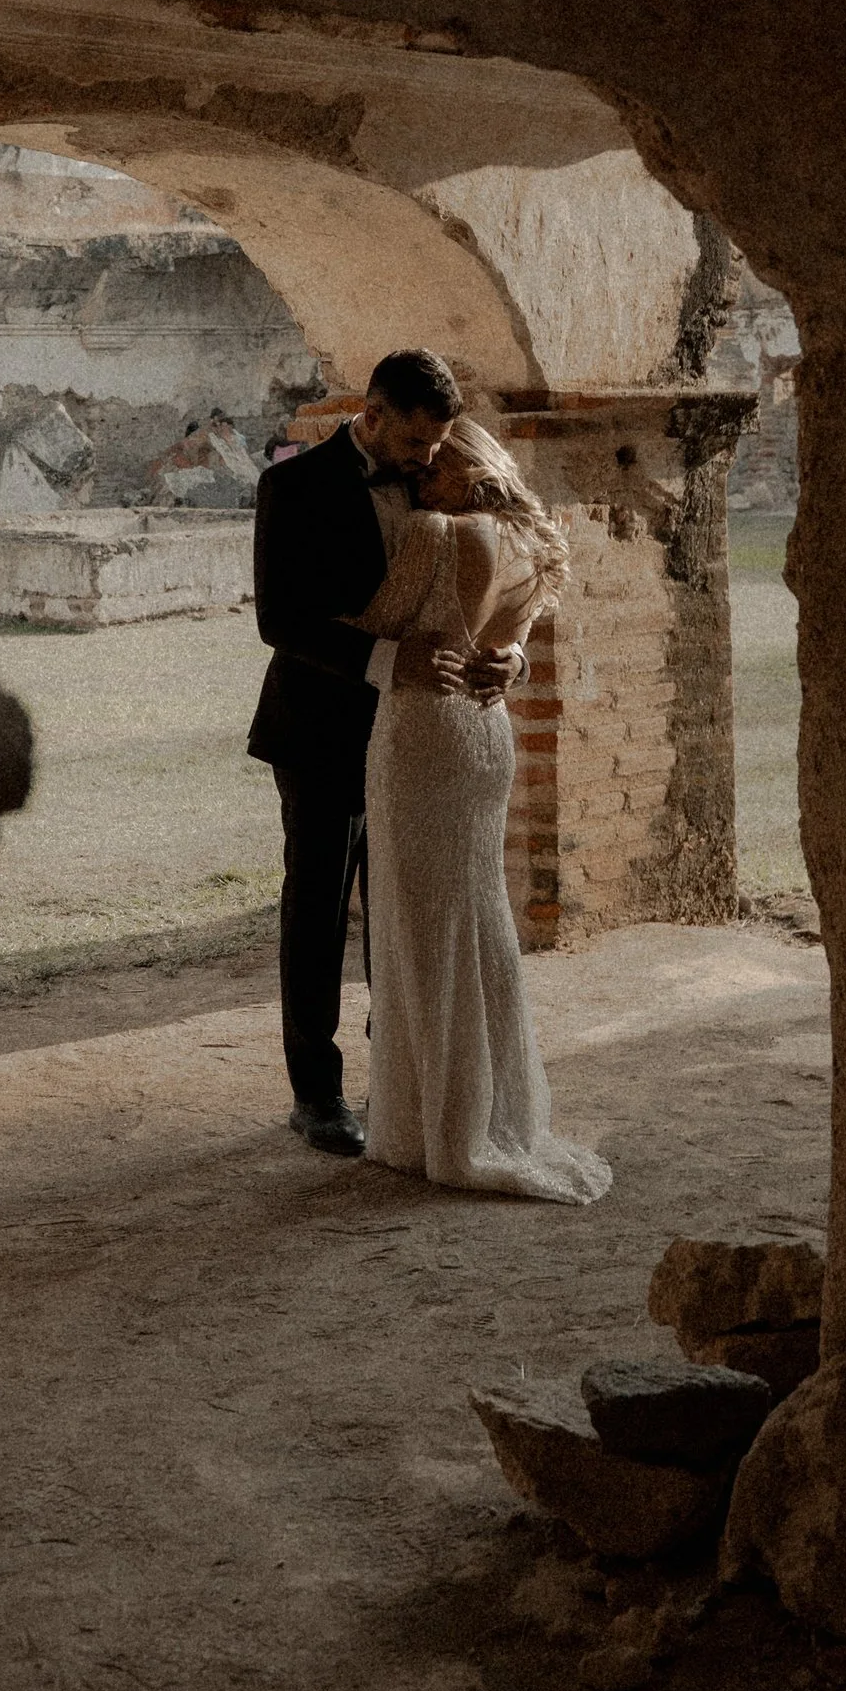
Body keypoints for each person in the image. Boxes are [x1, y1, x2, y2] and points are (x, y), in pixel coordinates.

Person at [246, 349, 513, 1153]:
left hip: (426, 735)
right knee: (322, 907)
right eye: (419, 442)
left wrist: (513, 658)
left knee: (407, 906)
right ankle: (316, 1093)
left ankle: (395, 1076)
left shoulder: (445, 474)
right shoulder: (289, 487)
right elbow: (279, 622)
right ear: (371, 414)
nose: (432, 460)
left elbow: (513, 590)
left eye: (440, 444)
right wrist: (383, 662)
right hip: (321, 727)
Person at [346, 417, 611, 1203]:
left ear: (466, 468)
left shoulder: (439, 531)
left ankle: (449, 1128)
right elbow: (511, 646)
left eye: (434, 464)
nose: (420, 476)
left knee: (421, 929)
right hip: (487, 736)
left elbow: (380, 626)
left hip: (424, 732)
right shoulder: (536, 542)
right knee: (477, 917)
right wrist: (515, 655)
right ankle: (498, 1112)